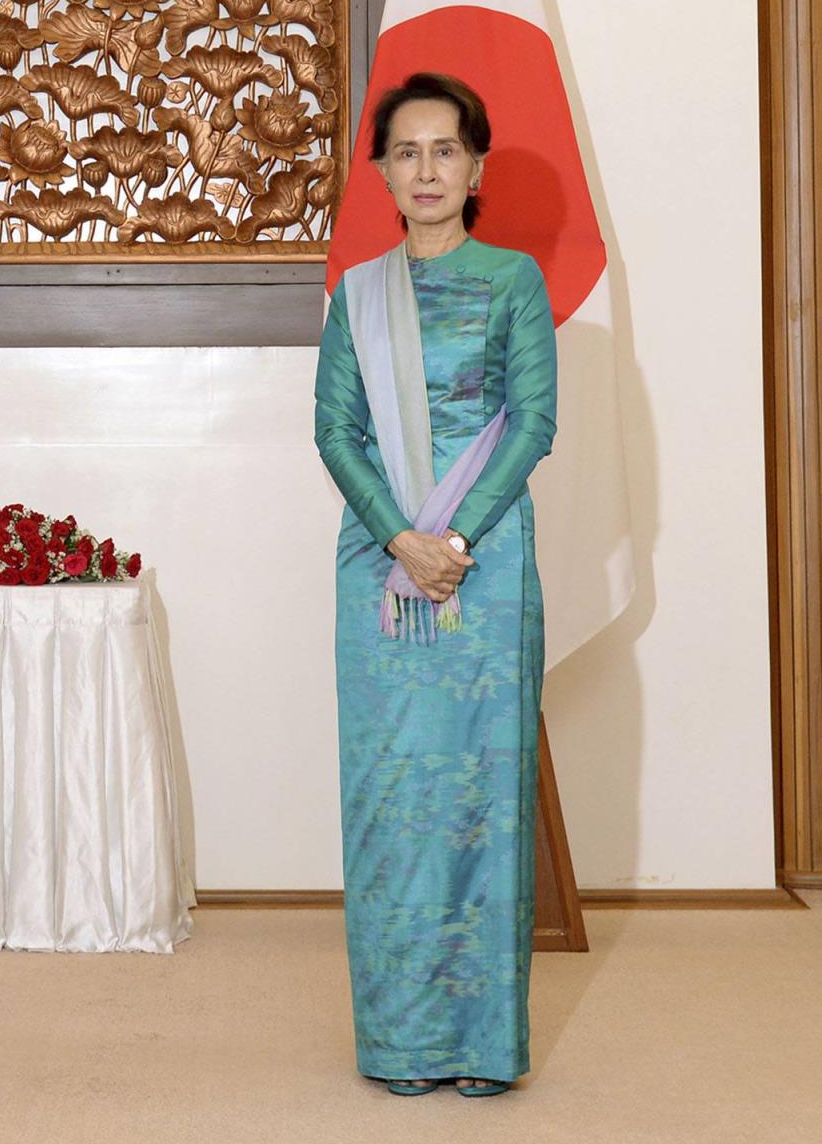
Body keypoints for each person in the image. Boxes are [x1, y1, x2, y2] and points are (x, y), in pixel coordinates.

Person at [313, 72, 557, 1098]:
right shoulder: (356, 295)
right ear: (378, 169)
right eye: (404, 151)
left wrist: (449, 535)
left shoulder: (513, 283)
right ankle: (401, 1042)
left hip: (485, 562)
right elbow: (335, 431)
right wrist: (399, 538)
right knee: (393, 795)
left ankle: (481, 1044)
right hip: (379, 569)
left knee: (480, 795)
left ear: (475, 167)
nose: (424, 169)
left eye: (444, 150)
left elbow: (532, 423)